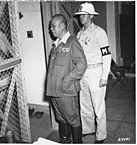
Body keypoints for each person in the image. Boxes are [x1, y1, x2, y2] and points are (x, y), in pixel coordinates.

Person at [46, 14, 87, 143]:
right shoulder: (56, 45)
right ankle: (65, 140)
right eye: (51, 26)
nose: (51, 29)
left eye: (54, 26)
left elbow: (82, 65)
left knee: (72, 119)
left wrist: (66, 81)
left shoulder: (72, 42)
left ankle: (77, 142)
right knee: (61, 118)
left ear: (63, 25)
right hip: (54, 90)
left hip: (65, 91)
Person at [74, 2, 112, 143]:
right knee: (85, 105)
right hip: (83, 74)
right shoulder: (79, 33)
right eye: (80, 16)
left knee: (98, 108)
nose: (81, 18)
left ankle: (101, 136)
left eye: (84, 15)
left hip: (96, 73)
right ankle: (88, 129)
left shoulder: (100, 32)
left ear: (91, 16)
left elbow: (106, 55)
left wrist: (104, 76)